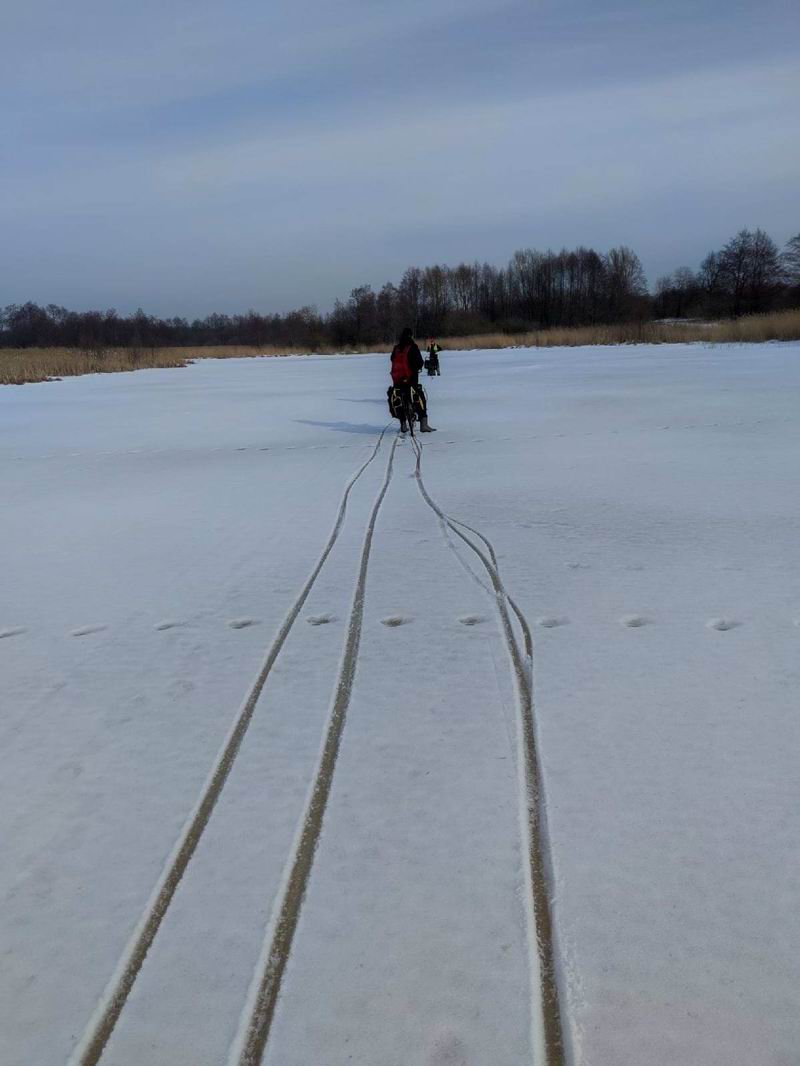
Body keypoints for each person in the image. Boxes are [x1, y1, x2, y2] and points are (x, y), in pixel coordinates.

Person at [389, 327, 436, 433]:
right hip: (410, 380)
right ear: (411, 336)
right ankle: (424, 425)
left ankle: (403, 424)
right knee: (420, 397)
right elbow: (419, 362)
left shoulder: (396, 348)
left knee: (399, 399)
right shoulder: (413, 347)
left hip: (397, 381)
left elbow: (392, 359)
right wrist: (416, 368)